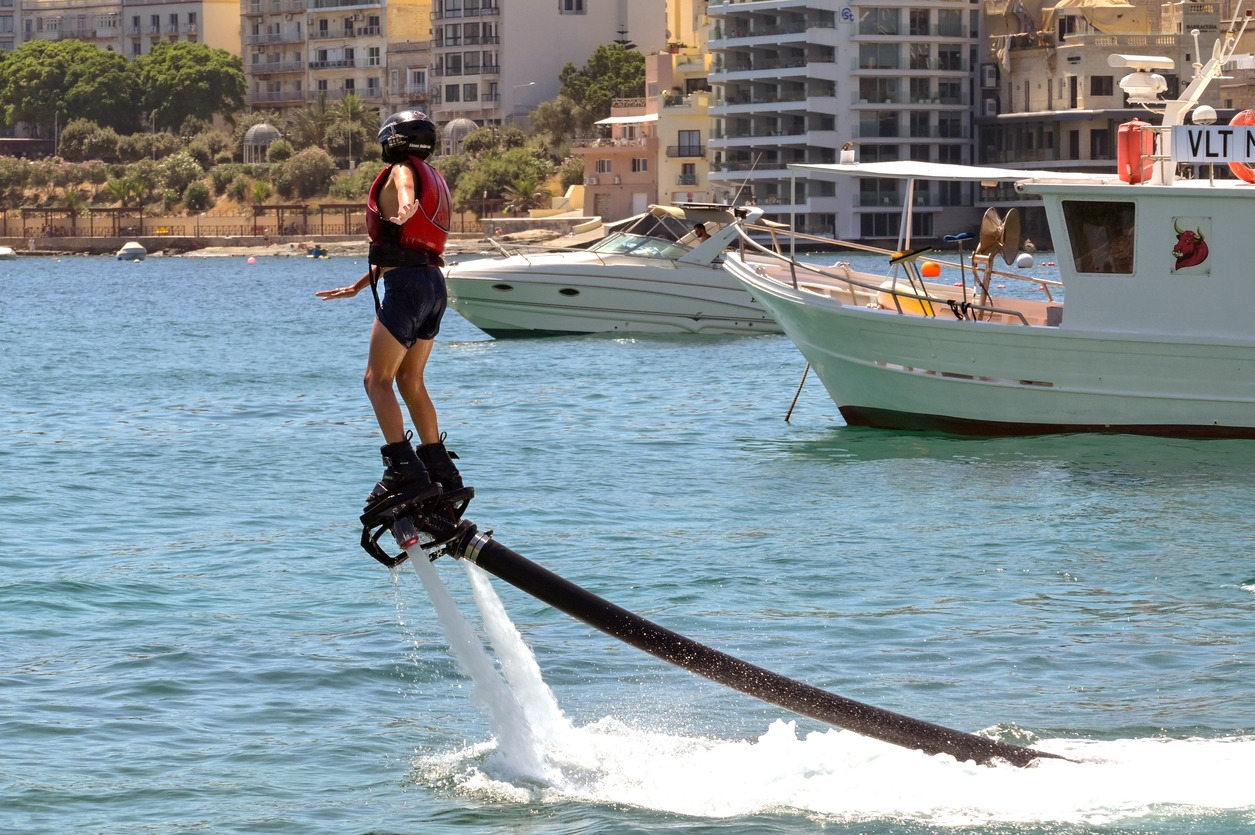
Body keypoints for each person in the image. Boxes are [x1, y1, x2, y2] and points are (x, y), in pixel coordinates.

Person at [316, 110, 471, 514]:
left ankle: (405, 469)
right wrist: (357, 286)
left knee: (376, 381)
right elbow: (408, 246)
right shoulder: (433, 175)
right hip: (434, 285)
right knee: (411, 379)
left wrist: (404, 207)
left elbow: (404, 191)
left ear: (392, 141)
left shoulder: (403, 170)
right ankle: (441, 472)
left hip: (407, 288)